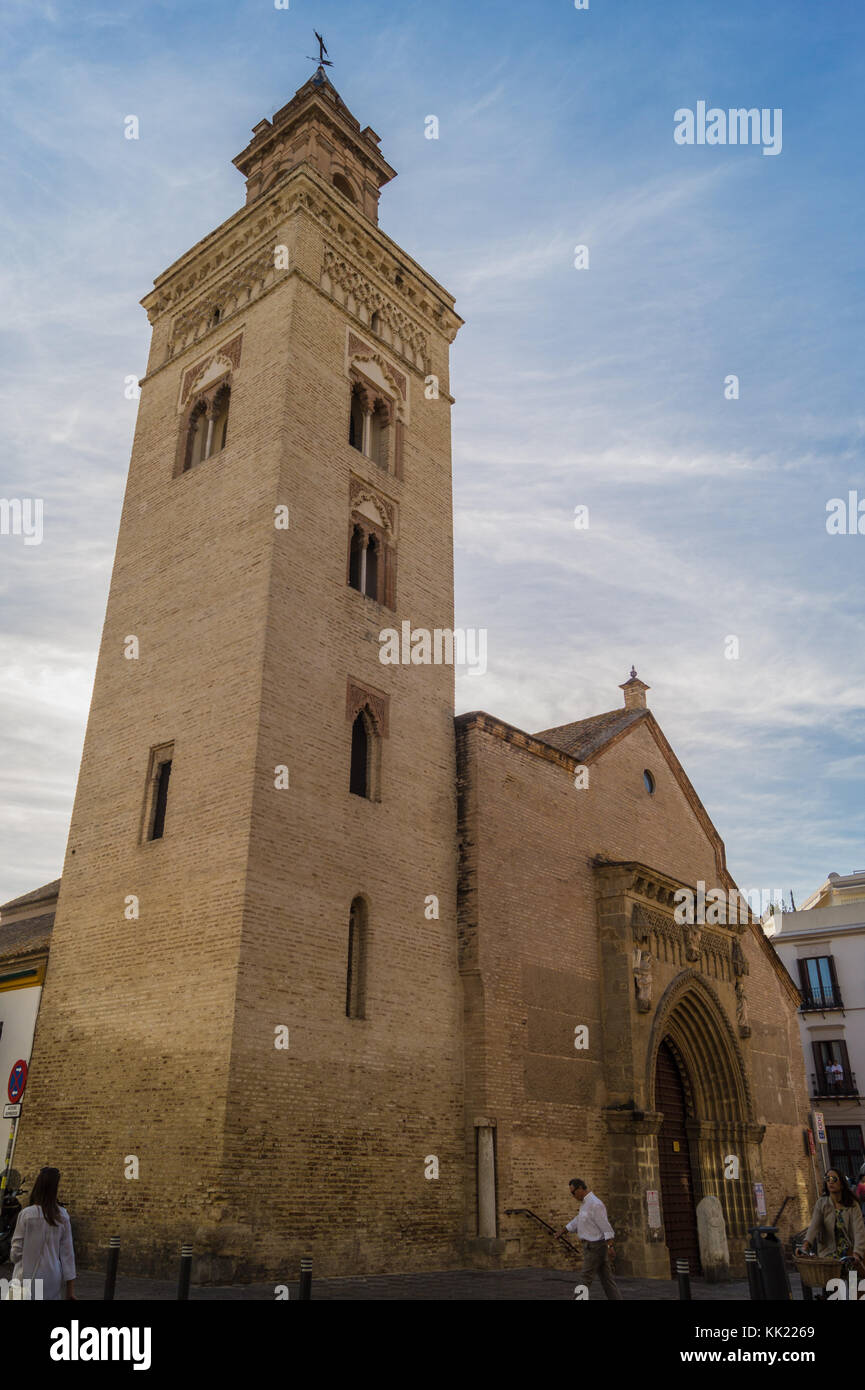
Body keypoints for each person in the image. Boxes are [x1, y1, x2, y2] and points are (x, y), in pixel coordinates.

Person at [9, 1166, 76, 1301]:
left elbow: (15, 1253)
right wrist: (70, 1291)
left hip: (25, 1278)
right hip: (52, 1278)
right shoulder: (62, 1216)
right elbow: (68, 1255)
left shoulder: (27, 1214)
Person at [557, 1177, 623, 1300]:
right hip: (592, 1247)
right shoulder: (585, 1204)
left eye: (573, 1192)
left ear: (581, 1188)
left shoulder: (595, 1204)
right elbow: (579, 1220)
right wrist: (564, 1230)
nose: (573, 1195)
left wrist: (610, 1246)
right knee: (607, 1280)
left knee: (585, 1279)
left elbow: (606, 1227)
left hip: (595, 1247)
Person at [800, 1169, 865, 1267]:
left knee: (853, 1280)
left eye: (834, 1179)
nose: (830, 1181)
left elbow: (859, 1230)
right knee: (832, 1282)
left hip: (850, 1255)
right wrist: (805, 1246)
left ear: (842, 1184)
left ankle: (853, 1280)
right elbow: (814, 1226)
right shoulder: (821, 1204)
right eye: (827, 1178)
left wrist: (857, 1253)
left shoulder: (852, 1205)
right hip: (829, 1256)